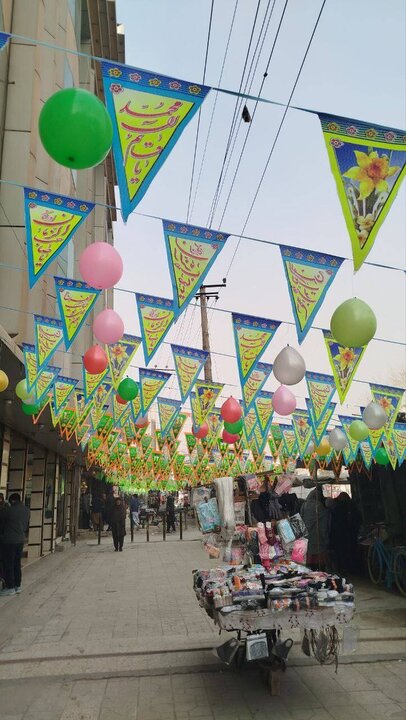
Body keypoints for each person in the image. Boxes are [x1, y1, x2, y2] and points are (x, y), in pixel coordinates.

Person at [0, 493, 30, 596]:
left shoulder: (7, 510)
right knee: (17, 563)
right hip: (20, 540)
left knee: (8, 564)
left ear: (12, 501)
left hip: (9, 541)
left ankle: (10, 586)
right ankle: (18, 586)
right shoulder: (26, 510)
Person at [330, 492, 361, 576]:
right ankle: (350, 569)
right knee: (350, 551)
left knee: (340, 552)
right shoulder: (352, 506)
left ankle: (341, 569)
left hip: (339, 534)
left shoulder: (336, 507)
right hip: (350, 533)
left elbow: (333, 522)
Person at [301, 486, 330, 571]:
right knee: (319, 557)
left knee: (310, 557)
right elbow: (324, 524)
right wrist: (326, 538)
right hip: (318, 536)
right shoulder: (320, 506)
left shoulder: (304, 505)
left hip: (307, 536)